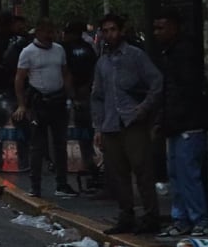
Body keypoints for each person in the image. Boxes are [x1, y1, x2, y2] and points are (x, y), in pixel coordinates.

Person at [90, 12, 164, 235]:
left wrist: (143, 109)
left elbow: (157, 82)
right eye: (105, 30)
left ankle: (151, 216)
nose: (109, 34)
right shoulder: (103, 62)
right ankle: (126, 215)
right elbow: (98, 96)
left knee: (142, 171)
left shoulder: (135, 56)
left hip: (132, 122)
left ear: (121, 31)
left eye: (113, 29)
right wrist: (98, 127)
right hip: (112, 124)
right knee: (118, 174)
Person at [149, 9, 208, 238]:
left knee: (188, 174)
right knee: (177, 174)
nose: (157, 33)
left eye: (161, 27)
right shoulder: (171, 53)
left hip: (188, 123)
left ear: (174, 27)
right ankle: (183, 219)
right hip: (178, 123)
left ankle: (199, 219)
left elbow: (185, 92)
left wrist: (170, 119)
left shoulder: (183, 54)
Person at [12, 19, 76, 200]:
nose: (50, 35)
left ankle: (62, 183)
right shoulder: (28, 52)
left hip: (57, 100)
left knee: (60, 144)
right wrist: (22, 104)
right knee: (37, 146)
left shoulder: (59, 50)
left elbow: (65, 73)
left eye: (52, 31)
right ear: (38, 32)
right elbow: (19, 79)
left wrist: (70, 96)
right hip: (39, 102)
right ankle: (35, 186)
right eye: (46, 31)